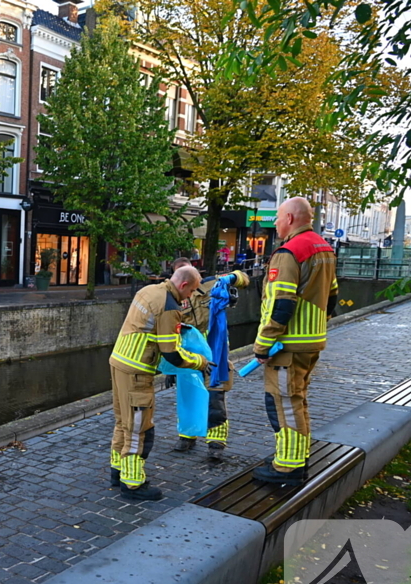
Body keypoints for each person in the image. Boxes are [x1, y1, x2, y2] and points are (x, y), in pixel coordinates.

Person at [251, 197, 338, 485]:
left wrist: (262, 345)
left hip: (288, 346)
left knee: (282, 402)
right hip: (312, 341)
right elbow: (333, 296)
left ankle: (287, 468)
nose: (275, 223)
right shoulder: (324, 247)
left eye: (277, 217)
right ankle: (295, 456)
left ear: (289, 218)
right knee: (297, 400)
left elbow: (282, 305)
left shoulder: (290, 252)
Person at [109, 266, 208, 501]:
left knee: (123, 421)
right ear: (183, 285)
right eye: (192, 291)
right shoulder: (170, 307)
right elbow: (171, 353)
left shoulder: (149, 290)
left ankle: (117, 471)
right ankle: (133, 483)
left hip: (119, 362)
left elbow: (147, 327)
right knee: (139, 428)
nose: (191, 297)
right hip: (137, 370)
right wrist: (200, 362)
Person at [169, 257, 251, 460]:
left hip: (215, 351)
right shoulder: (171, 297)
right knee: (188, 396)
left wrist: (230, 279)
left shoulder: (211, 284)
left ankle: (216, 441)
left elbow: (244, 278)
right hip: (188, 354)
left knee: (215, 396)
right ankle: (187, 435)